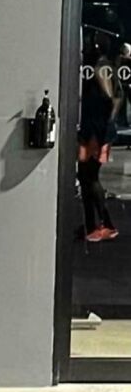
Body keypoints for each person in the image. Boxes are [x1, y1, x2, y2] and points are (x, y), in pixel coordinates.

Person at [78, 28, 122, 242]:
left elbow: (111, 98)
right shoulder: (107, 66)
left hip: (95, 133)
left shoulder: (102, 68)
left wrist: (106, 126)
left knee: (89, 176)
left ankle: (103, 224)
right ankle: (93, 224)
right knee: (86, 176)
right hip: (95, 131)